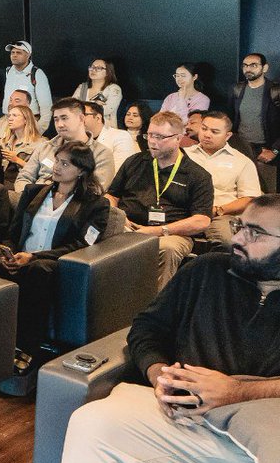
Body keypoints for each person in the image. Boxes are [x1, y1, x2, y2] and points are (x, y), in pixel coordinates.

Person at [55, 194, 280, 463]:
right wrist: (159, 374)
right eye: (239, 225)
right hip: (186, 423)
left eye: (256, 233)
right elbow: (147, 329)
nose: (238, 237)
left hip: (266, 439)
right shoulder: (205, 270)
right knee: (91, 424)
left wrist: (238, 392)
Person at [0, 141, 110, 363]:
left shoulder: (95, 204)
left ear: (81, 170)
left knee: (38, 271)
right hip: (21, 257)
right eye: (57, 161)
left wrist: (33, 256)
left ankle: (25, 349)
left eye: (65, 163)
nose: (56, 167)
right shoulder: (34, 192)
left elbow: (80, 245)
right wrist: (8, 251)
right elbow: (13, 232)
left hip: (53, 263)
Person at [106, 110, 214, 288]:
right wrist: (119, 217)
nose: (152, 141)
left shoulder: (197, 175)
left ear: (178, 138)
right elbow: (111, 195)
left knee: (167, 248)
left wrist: (158, 231)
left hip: (170, 233)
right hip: (127, 226)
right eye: (150, 135)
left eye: (160, 137)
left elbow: (202, 221)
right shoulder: (134, 162)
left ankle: (155, 308)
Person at [184, 110, 261, 245]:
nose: (207, 134)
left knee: (228, 243)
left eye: (214, 132)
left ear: (227, 135)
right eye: (204, 129)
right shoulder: (183, 155)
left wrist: (218, 210)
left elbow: (249, 199)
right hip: (183, 212)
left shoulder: (242, 161)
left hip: (220, 216)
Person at [15, 98, 114, 199]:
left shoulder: (102, 153)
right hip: (33, 200)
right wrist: (28, 198)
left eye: (64, 118)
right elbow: (24, 177)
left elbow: (95, 190)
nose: (59, 124)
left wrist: (52, 200)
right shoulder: (45, 147)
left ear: (81, 118)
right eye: (56, 119)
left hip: (70, 206)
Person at [233, 52, 280, 193]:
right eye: (245, 65)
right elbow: (230, 118)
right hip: (240, 148)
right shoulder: (237, 89)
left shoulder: (275, 90)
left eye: (253, 65)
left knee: (267, 193)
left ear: (264, 68)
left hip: (266, 151)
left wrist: (275, 150)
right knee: (242, 191)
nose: (248, 69)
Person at [3, 40, 52, 132]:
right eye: (12, 52)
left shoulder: (37, 73)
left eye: (19, 53)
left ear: (28, 55)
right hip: (9, 120)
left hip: (28, 121)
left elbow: (46, 107)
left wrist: (39, 130)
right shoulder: (9, 71)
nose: (14, 55)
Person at [0, 104, 43, 189]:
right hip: (1, 185)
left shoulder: (40, 143)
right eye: (9, 115)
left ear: (26, 119)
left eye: (15, 115)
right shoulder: (3, 141)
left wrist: (17, 160)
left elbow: (41, 172)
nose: (10, 118)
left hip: (22, 186)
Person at [81, 100, 137, 171]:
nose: (79, 119)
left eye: (83, 115)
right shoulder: (75, 140)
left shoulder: (120, 136)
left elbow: (119, 173)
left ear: (98, 118)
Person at [72, 58, 122, 128]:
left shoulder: (114, 89)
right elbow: (72, 107)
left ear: (108, 72)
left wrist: (82, 105)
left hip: (106, 129)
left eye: (98, 68)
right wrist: (96, 104)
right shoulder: (82, 88)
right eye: (92, 67)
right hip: (82, 128)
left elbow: (107, 110)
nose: (93, 70)